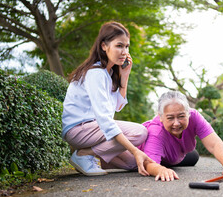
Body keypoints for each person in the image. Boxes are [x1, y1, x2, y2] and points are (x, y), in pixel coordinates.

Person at [62, 21, 154, 177]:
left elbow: (117, 107)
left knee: (132, 163)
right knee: (139, 132)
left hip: (93, 130)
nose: (124, 51)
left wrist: (125, 77)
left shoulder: (108, 73)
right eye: (119, 46)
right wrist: (134, 150)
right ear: (104, 46)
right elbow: (105, 119)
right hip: (79, 130)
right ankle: (84, 154)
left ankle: (89, 157)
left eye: (126, 46)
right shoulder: (96, 73)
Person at [138, 90, 223, 181]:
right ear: (161, 117)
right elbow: (149, 164)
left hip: (175, 157)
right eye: (170, 118)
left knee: (194, 157)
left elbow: (214, 143)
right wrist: (161, 170)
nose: (176, 123)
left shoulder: (195, 116)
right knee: (159, 165)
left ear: (188, 113)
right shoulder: (156, 131)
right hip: (149, 157)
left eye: (181, 116)